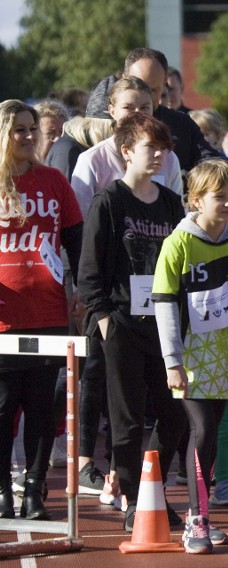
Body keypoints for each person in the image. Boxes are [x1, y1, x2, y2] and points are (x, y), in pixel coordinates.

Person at [76, 112, 187, 531]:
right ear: (126, 152)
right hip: (122, 324)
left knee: (174, 414)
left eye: (163, 148)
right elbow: (90, 271)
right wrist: (104, 319)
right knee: (124, 423)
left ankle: (150, 490)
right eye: (150, 147)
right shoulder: (109, 202)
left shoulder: (171, 203)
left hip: (164, 326)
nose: (159, 155)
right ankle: (132, 500)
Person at [152, 159, 228, 554]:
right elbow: (163, 303)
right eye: (220, 197)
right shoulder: (178, 244)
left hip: (226, 359)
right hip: (191, 359)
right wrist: (172, 360)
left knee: (210, 436)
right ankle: (195, 519)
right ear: (196, 199)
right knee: (202, 431)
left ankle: (202, 514)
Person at [0, 100, 84, 521]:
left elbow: (77, 241)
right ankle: (2, 491)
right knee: (2, 407)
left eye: (33, 128)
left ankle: (35, 490)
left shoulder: (53, 181)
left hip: (49, 313)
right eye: (19, 129)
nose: (29, 136)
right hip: (3, 320)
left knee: (42, 407)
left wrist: (82, 292)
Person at [71, 77, 182, 216]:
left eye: (145, 107)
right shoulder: (91, 160)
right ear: (112, 111)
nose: (137, 113)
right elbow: (81, 217)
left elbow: (177, 214)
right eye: (128, 108)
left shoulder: (168, 158)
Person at [123, 48, 218, 171]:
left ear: (164, 84)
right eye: (139, 87)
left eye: (153, 90)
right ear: (124, 79)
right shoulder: (104, 126)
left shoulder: (181, 124)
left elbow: (211, 161)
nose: (147, 97)